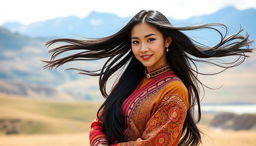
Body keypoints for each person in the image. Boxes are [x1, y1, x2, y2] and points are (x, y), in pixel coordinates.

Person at [42, 10, 253, 146]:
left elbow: (154, 144)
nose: (143, 48)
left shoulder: (174, 90)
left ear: (167, 41)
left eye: (150, 40)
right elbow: (99, 123)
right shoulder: (126, 81)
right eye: (136, 42)